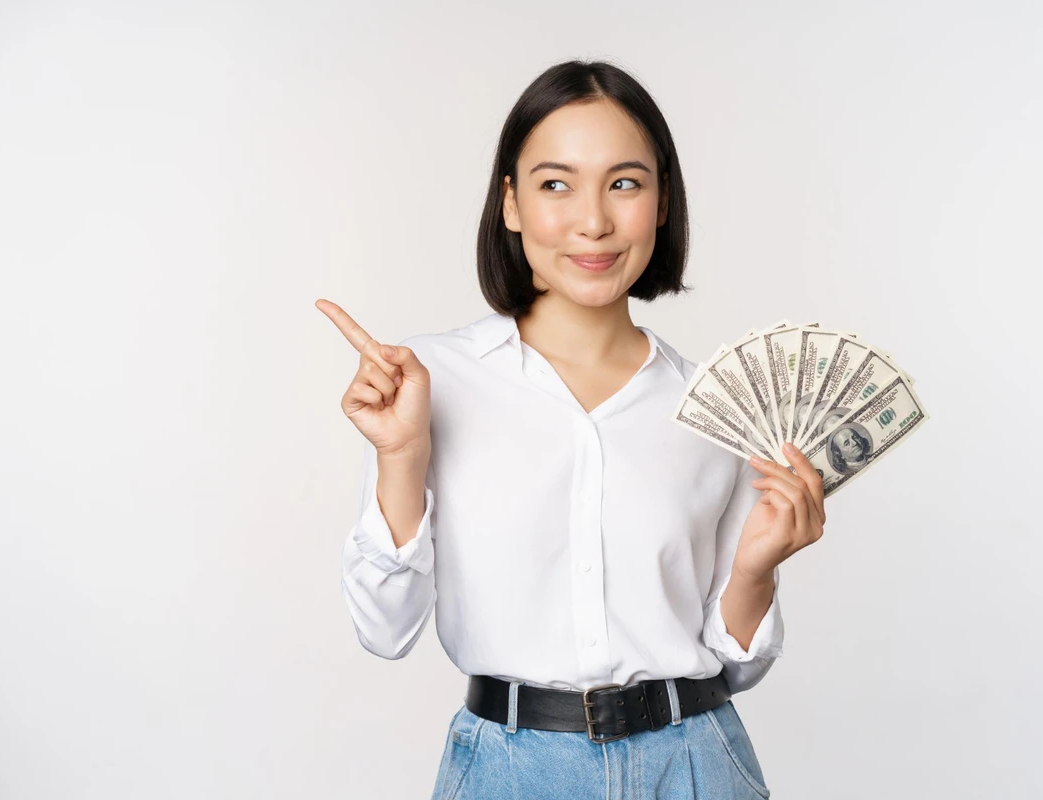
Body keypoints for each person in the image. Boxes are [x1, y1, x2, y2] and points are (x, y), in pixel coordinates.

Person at [317, 59, 827, 799]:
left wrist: (756, 569)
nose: (594, 220)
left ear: (660, 204)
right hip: (509, 772)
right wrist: (402, 456)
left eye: (625, 183)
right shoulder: (428, 382)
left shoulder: (712, 406)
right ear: (512, 203)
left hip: (696, 765)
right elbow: (384, 631)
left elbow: (738, 666)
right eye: (557, 184)